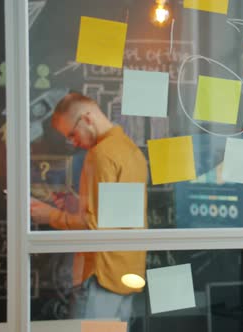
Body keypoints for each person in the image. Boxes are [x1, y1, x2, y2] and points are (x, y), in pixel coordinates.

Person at [30, 93, 148, 324]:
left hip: (100, 274)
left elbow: (95, 227)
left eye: (72, 134)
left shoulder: (100, 155)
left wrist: (49, 215)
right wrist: (78, 206)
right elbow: (118, 216)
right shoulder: (129, 149)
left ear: (87, 119)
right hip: (127, 272)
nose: (73, 142)